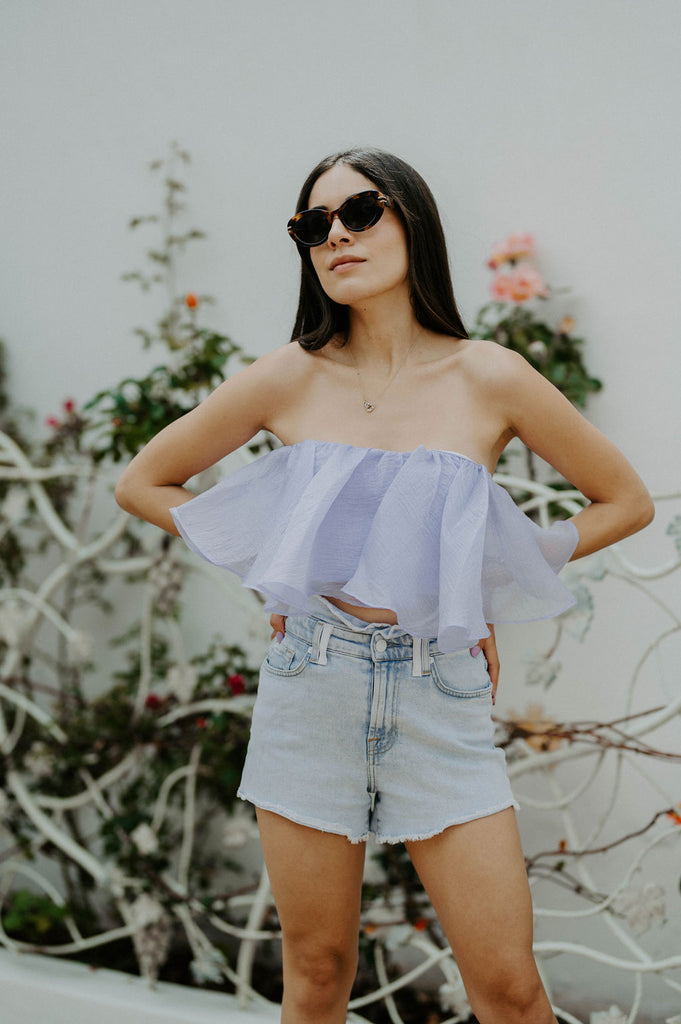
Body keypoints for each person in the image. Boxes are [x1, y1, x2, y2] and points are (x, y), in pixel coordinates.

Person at [115, 147, 654, 1024]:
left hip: (435, 691)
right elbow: (144, 482)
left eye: (359, 212)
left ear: (412, 220)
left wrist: (472, 588)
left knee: (511, 995)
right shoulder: (288, 374)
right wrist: (279, 560)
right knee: (319, 974)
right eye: (312, 225)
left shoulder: (490, 376)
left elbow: (622, 502)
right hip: (311, 683)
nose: (335, 236)